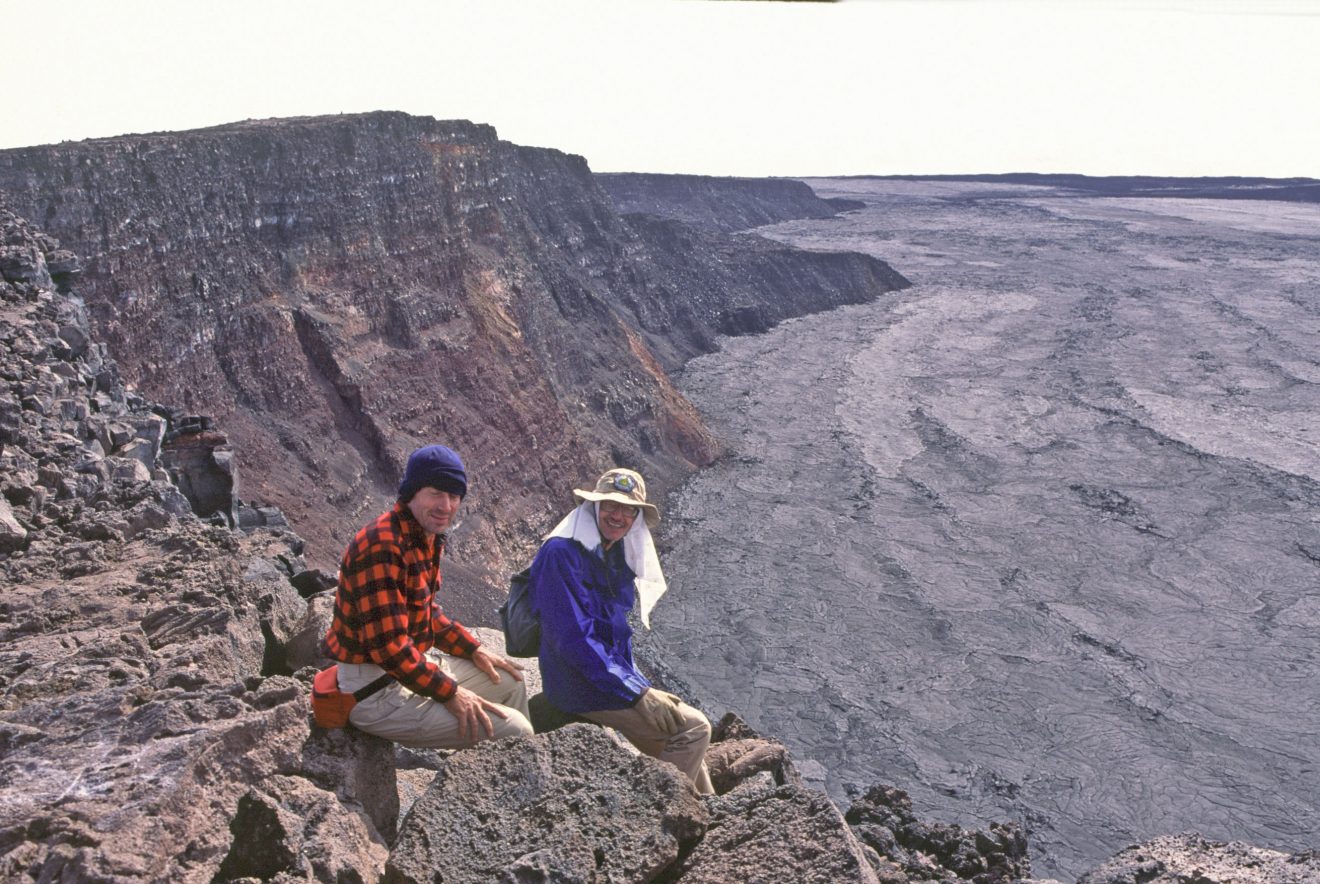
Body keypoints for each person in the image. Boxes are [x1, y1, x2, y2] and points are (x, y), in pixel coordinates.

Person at [323, 444, 533, 747]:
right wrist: (450, 693)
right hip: (374, 691)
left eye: (454, 496)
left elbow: (425, 614)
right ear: (412, 493)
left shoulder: (422, 537)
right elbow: (389, 648)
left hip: (406, 672)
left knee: (511, 681)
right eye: (436, 493)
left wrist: (472, 649)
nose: (446, 506)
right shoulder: (382, 545)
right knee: (517, 730)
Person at [529, 468, 714, 794]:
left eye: (628, 509)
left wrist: (639, 684)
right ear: (595, 506)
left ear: (636, 517)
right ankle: (663, 820)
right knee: (695, 729)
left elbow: (614, 633)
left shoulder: (613, 553)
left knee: (688, 749)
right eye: (611, 505)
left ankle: (710, 822)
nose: (618, 515)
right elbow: (575, 640)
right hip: (578, 683)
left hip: (600, 678)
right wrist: (637, 692)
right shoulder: (561, 553)